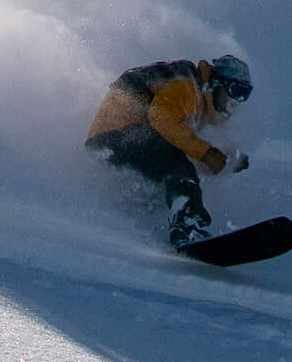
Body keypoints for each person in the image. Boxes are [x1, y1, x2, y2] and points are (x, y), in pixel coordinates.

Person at [85, 55, 253, 246]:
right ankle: (188, 227)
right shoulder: (187, 85)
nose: (237, 101)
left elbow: (176, 139)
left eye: (245, 95)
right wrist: (206, 154)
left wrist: (218, 163)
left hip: (119, 139)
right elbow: (161, 117)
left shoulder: (197, 103)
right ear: (217, 83)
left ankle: (150, 224)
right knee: (178, 168)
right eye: (236, 91)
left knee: (169, 176)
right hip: (118, 133)